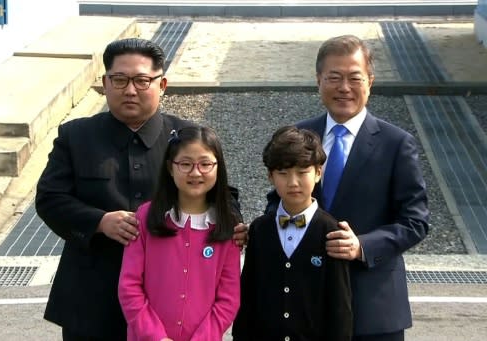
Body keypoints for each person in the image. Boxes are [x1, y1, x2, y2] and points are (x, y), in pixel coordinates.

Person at [35, 38, 245, 340]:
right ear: (105, 83)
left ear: (162, 84)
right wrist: (99, 221)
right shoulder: (77, 135)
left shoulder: (186, 137)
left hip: (168, 301)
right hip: (93, 291)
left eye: (142, 80)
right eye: (119, 80)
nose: (130, 90)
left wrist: (233, 224)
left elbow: (223, 193)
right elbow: (50, 199)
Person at [265, 35, 429, 341]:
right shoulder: (299, 134)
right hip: (305, 302)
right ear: (319, 81)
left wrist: (362, 246)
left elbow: (416, 221)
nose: (344, 87)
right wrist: (263, 229)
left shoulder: (396, 143)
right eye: (334, 78)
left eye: (354, 78)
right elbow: (277, 201)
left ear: (370, 81)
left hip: (372, 308)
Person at [118, 126, 241, 341]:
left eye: (205, 164)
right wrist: (156, 337)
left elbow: (228, 299)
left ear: (217, 167)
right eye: (185, 164)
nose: (195, 172)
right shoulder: (146, 216)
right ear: (170, 167)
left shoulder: (227, 226)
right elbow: (129, 287)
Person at [232, 126, 352, 341]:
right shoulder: (259, 229)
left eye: (302, 172)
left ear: (318, 173)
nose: (293, 182)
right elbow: (248, 294)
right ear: (270, 176)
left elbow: (340, 306)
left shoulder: (331, 231)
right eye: (283, 173)